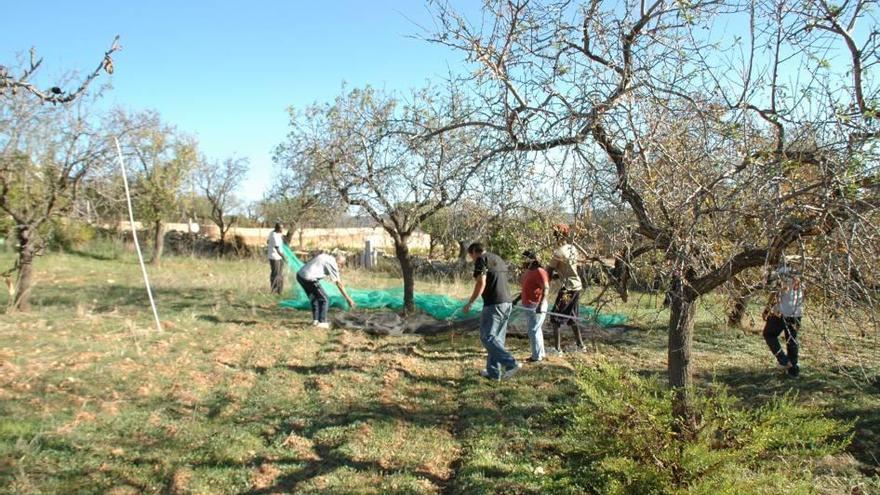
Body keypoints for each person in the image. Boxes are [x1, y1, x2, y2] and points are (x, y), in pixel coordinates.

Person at [463, 242, 521, 380]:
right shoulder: (497, 259)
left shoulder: (481, 260)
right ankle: (494, 373)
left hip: (494, 304)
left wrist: (470, 302)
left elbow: (481, 282)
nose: (472, 260)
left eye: (471, 256)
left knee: (487, 337)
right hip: (507, 303)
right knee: (497, 340)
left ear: (473, 253)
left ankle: (511, 363)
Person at [546, 224, 585, 354]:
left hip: (567, 290)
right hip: (577, 286)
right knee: (572, 317)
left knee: (555, 317)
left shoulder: (558, 252)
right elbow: (570, 268)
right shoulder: (572, 248)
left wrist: (544, 282)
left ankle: (557, 349)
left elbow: (549, 271)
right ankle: (580, 346)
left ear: (557, 236)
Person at [296, 251, 357, 329]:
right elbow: (339, 284)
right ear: (340, 263)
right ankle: (322, 322)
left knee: (314, 298)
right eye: (341, 265)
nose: (340, 268)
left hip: (300, 276)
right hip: (309, 278)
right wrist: (348, 299)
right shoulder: (333, 264)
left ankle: (316, 320)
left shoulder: (326, 256)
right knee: (324, 299)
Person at [762, 266, 804, 377]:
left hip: (781, 311)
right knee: (792, 340)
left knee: (769, 334)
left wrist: (767, 309)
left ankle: (784, 361)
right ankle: (793, 370)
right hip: (796, 310)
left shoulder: (782, 270)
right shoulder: (803, 270)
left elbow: (775, 292)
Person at [513, 250, 548, 362]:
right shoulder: (529, 272)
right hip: (527, 305)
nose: (522, 262)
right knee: (536, 330)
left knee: (533, 330)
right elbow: (525, 290)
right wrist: (516, 300)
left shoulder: (540, 271)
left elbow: (546, 288)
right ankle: (540, 354)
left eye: (524, 259)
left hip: (536, 305)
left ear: (531, 260)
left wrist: (540, 304)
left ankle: (536, 357)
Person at [267, 223, 286, 294]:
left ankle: (279, 290)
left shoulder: (273, 232)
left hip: (278, 257)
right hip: (275, 257)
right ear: (277, 228)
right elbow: (277, 250)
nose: (282, 229)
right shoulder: (274, 236)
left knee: (280, 274)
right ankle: (274, 290)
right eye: (281, 228)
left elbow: (267, 241)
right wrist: (284, 258)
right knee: (275, 274)